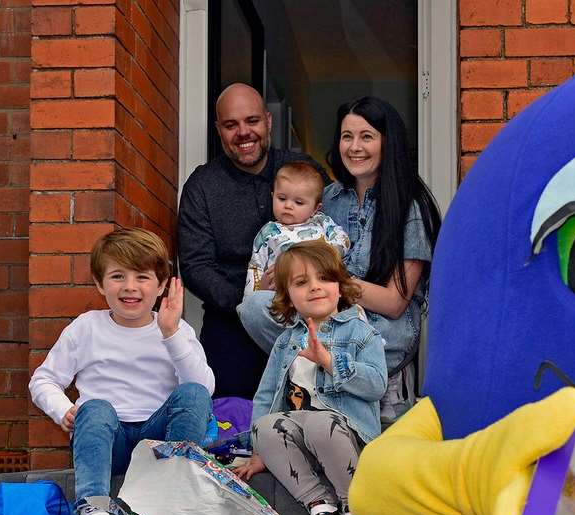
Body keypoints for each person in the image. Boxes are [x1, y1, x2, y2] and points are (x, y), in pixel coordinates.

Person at [240, 96, 440, 421]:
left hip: (381, 332)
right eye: (347, 136)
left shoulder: (410, 207)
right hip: (324, 319)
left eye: (366, 136)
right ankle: (316, 378)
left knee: (344, 332)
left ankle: (322, 380)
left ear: (387, 142)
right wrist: (281, 278)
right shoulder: (328, 199)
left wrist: (330, 282)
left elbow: (394, 302)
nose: (354, 147)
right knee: (254, 306)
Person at [29, 228, 215, 515]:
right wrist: (63, 409)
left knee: (191, 393)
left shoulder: (175, 328)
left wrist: (171, 334)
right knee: (96, 407)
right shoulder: (86, 328)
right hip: (107, 441)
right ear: (101, 284)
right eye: (118, 276)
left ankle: (163, 513)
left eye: (142, 277)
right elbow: (43, 380)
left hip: (157, 443)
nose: (130, 286)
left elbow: (203, 389)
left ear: (160, 286)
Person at [178, 83, 325, 398]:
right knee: (231, 424)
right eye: (231, 125)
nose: (243, 132)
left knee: (307, 419)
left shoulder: (304, 172)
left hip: (305, 319)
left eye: (252, 121)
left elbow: (330, 240)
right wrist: (249, 299)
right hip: (231, 323)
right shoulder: (202, 186)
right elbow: (195, 266)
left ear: (268, 122)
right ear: (219, 130)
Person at [232, 240, 387, 515]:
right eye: (302, 282)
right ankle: (320, 505)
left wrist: (330, 361)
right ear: (288, 297)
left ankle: (356, 506)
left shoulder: (361, 333)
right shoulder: (285, 341)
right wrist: (258, 451)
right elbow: (266, 394)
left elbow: (377, 384)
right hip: (302, 432)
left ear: (340, 287)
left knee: (319, 423)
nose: (315, 287)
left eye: (325, 278)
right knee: (264, 425)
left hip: (348, 434)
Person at [240, 161, 349, 297]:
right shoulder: (268, 232)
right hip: (283, 297)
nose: (288, 206)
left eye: (298, 202)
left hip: (319, 293)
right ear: (272, 196)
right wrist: (258, 291)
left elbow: (343, 238)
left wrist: (330, 254)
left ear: (316, 208)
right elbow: (255, 267)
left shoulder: (321, 222)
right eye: (282, 198)